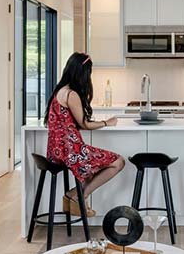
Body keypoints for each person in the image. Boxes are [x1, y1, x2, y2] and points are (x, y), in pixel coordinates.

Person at [45, 52, 125, 216]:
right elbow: (85, 124)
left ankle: (73, 195)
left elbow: (70, 123)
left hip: (56, 151)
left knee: (95, 167)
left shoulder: (60, 91)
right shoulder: (71, 94)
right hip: (70, 152)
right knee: (118, 162)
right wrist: (107, 123)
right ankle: (81, 196)